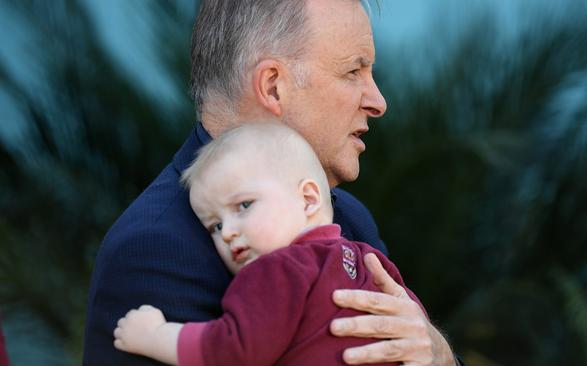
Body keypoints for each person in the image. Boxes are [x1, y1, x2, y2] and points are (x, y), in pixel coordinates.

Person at [84, 0, 460, 365]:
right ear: (273, 86)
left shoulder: (348, 215)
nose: (378, 101)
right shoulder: (155, 252)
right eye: (352, 72)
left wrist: (438, 355)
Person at [113, 123, 428, 365]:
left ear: (308, 200)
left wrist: (155, 336)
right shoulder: (366, 258)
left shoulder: (277, 270)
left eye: (244, 206)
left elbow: (233, 350)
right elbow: (415, 324)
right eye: (215, 225)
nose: (228, 233)